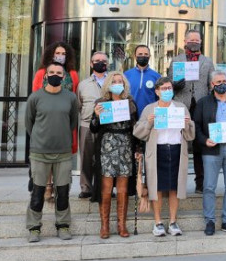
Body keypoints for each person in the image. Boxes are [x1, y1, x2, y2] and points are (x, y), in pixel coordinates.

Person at [133, 77, 195, 237]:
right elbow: (138, 132)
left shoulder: (181, 107)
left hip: (176, 150)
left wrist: (187, 124)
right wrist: (148, 122)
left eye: (169, 88)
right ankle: (158, 222)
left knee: (175, 187)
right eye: (164, 89)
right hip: (157, 152)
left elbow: (190, 136)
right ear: (157, 91)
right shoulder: (149, 109)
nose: (167, 91)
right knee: (157, 187)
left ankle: (173, 221)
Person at [25, 62, 79, 242]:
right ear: (46, 75)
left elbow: (72, 123)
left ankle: (63, 226)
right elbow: (29, 123)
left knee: (63, 191)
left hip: (63, 153)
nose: (55, 75)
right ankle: (34, 227)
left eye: (59, 73)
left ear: (64, 77)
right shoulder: (35, 97)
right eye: (52, 72)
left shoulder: (70, 98)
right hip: (39, 152)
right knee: (38, 191)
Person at [193, 70, 226, 236]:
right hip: (212, 149)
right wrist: (204, 140)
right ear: (212, 84)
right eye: (218, 82)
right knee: (209, 187)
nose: (222, 84)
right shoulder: (203, 103)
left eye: (224, 81)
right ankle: (209, 220)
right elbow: (196, 126)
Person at [89, 72, 141, 238]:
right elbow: (93, 128)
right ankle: (104, 226)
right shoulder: (102, 103)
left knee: (123, 188)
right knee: (105, 188)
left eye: (120, 81)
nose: (118, 83)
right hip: (107, 147)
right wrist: (96, 116)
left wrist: (138, 149)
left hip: (125, 146)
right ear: (108, 85)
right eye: (114, 81)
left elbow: (136, 128)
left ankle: (121, 225)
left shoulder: (130, 103)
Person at [30, 42, 80, 202]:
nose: (60, 56)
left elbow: (75, 98)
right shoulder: (41, 73)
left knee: (62, 157)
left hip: (65, 121)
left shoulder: (72, 74)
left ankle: (61, 188)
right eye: (58, 53)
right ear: (51, 55)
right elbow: (35, 99)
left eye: (64, 53)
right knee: (45, 154)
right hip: (45, 121)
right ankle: (47, 186)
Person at [168, 29, 213, 194]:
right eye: (191, 40)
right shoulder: (176, 61)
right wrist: (175, 85)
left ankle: (200, 182)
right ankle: (178, 182)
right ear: (185, 41)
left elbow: (211, 85)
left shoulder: (207, 61)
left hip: (201, 106)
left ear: (201, 41)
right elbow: (169, 85)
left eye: (197, 39)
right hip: (181, 105)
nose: (194, 42)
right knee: (181, 146)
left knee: (200, 145)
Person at [77, 51, 109, 200]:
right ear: (91, 64)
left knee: (105, 158)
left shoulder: (113, 82)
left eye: (103, 60)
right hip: (87, 124)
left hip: (108, 126)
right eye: (96, 60)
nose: (100, 62)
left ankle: (105, 187)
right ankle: (86, 187)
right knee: (86, 157)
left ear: (107, 64)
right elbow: (79, 104)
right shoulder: (83, 84)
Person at [124, 44, 161, 119]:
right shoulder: (126, 75)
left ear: (149, 57)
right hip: (130, 116)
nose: (143, 56)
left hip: (150, 116)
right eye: (140, 54)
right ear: (135, 56)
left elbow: (159, 98)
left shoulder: (157, 76)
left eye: (146, 54)